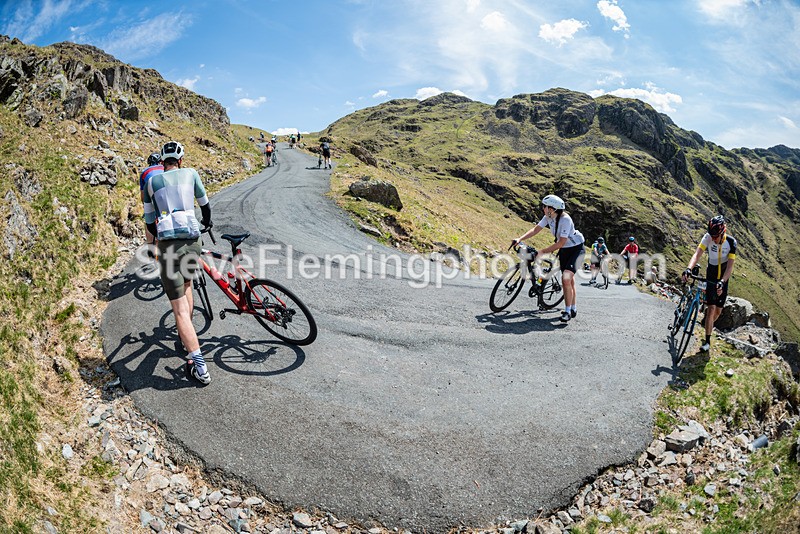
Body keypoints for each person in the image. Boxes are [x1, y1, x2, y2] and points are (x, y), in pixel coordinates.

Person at [142, 141, 213, 385]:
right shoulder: (191, 173)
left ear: (162, 162)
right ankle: (187, 340)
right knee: (188, 287)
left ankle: (200, 367)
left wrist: (158, 239)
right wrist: (207, 223)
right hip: (192, 241)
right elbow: (205, 206)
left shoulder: (152, 182)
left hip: (168, 247)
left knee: (179, 309)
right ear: (180, 160)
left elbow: (150, 222)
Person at [512, 194, 585, 323]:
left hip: (576, 249)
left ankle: (568, 311)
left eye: (545, 206)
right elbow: (536, 229)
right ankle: (573, 307)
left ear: (552, 209)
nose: (543, 208)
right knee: (570, 280)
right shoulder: (548, 217)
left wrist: (542, 252)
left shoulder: (565, 220)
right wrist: (520, 239)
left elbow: (560, 243)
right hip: (565, 250)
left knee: (566, 279)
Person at [682, 215, 737, 352]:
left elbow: (730, 267)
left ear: (723, 232)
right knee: (712, 308)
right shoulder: (707, 237)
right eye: (711, 235)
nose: (713, 239)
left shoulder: (731, 242)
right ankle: (707, 341)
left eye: (715, 236)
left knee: (718, 311)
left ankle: (708, 321)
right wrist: (688, 269)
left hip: (723, 277)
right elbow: (697, 254)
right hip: (711, 273)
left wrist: (723, 282)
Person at [139, 152, 164, 253]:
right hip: (164, 197)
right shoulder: (164, 168)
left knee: (148, 219)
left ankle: (150, 246)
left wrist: (146, 206)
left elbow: (143, 195)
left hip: (151, 196)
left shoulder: (144, 172)